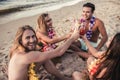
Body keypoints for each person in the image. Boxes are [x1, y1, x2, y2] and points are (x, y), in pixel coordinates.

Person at [8, 25, 80, 80]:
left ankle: (62, 78)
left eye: (33, 36)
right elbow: (59, 52)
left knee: (44, 58)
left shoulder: (15, 49)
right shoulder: (27, 56)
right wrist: (72, 38)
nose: (32, 40)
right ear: (20, 41)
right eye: (27, 38)